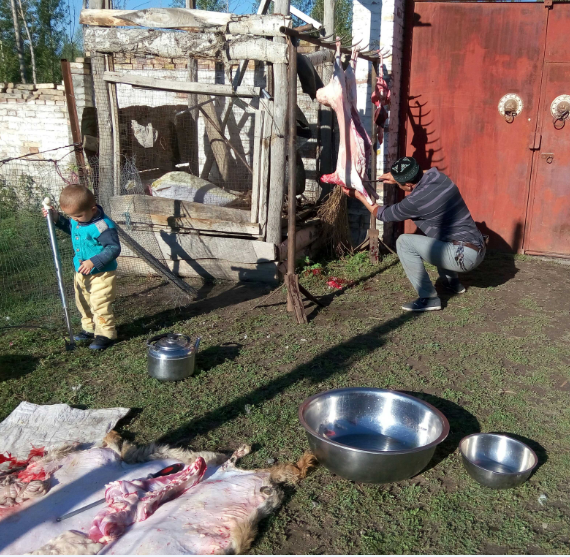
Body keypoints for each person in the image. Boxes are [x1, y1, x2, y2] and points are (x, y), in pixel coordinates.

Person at [341, 156, 486, 312]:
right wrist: (398, 177)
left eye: (401, 183)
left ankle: (429, 299)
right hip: (477, 246)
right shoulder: (440, 178)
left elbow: (381, 214)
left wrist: (359, 195)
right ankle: (452, 283)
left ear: (409, 185)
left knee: (404, 242)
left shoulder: (415, 201)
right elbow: (424, 172)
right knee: (437, 235)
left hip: (463, 257)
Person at [43, 185, 121, 349]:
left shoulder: (102, 226)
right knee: (82, 301)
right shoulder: (78, 219)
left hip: (102, 274)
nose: (75, 219)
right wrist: (57, 219)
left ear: (93, 209)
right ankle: (89, 328)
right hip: (81, 272)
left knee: (99, 303)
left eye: (78, 216)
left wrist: (93, 261)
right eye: (71, 216)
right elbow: (70, 228)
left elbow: (113, 248)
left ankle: (105, 334)